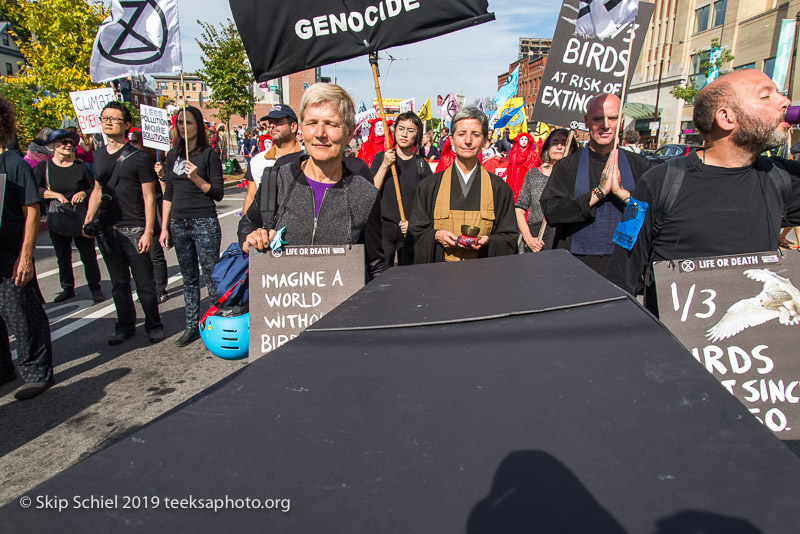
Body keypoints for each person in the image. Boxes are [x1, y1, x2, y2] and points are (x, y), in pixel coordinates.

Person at [607, 69, 800, 314]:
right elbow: (623, 271)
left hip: (751, 345)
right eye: (765, 96)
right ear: (726, 118)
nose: (785, 101)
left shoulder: (781, 178)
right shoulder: (659, 181)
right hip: (673, 344)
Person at [238, 83, 387, 279]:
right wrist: (250, 237)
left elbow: (375, 263)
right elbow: (247, 223)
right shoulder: (276, 180)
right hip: (283, 304)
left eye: (331, 124)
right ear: (301, 129)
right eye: (311, 123)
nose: (319, 134)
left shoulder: (365, 194)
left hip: (343, 307)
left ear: (350, 132)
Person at [540, 94, 654, 276]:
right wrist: (597, 194)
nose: (606, 125)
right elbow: (552, 211)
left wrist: (623, 195)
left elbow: (654, 215)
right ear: (586, 121)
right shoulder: (567, 166)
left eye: (613, 118)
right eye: (598, 119)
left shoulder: (640, 165)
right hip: (575, 266)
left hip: (625, 264)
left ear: (622, 121)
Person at [84, 101, 164, 345]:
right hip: (108, 229)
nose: (108, 122)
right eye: (105, 118)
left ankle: (154, 324)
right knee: (119, 283)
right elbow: (98, 190)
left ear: (127, 125)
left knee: (144, 282)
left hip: (135, 227)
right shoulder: (97, 155)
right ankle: (125, 325)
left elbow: (149, 196)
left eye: (114, 119)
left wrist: (148, 231)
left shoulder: (139, 158)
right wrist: (89, 219)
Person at [407, 106, 519, 263]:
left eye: (475, 134)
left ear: (485, 140)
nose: (468, 141)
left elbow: (509, 238)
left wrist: (489, 241)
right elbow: (415, 235)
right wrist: (436, 236)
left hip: (483, 277)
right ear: (451, 139)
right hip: (439, 278)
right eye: (461, 134)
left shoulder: (499, 188)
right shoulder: (429, 186)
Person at [0, 94, 55, 400]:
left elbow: (32, 211)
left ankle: (37, 371)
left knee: (22, 313)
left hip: (11, 254)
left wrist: (25, 257)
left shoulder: (13, 163)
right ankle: (4, 369)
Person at [156, 106, 224, 347]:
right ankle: (191, 324)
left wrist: (196, 177)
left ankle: (215, 321)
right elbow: (169, 193)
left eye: (189, 123)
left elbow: (217, 193)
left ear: (199, 127)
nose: (184, 127)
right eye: (180, 123)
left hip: (203, 221)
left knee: (210, 275)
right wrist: (164, 227)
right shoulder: (173, 156)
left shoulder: (209, 155)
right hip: (179, 223)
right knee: (188, 278)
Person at [33, 129, 105, 303]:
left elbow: (94, 189)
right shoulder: (44, 167)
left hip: (79, 217)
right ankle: (68, 288)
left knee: (88, 255)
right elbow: (35, 189)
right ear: (53, 146)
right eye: (63, 142)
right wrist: (55, 195)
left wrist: (83, 193)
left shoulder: (80, 166)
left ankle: (95, 288)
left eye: (71, 143)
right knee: (63, 256)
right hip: (58, 217)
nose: (68, 145)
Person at [370, 111, 432, 266]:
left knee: (408, 276)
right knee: (382, 275)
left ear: (417, 136)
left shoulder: (421, 165)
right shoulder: (381, 158)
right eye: (401, 128)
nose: (404, 134)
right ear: (394, 131)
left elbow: (429, 202)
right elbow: (371, 192)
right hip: (385, 228)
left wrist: (414, 224)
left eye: (410, 130)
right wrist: (385, 165)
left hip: (409, 230)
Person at [515, 129, 578, 253]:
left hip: (566, 240)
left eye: (564, 143)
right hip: (537, 240)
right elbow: (519, 209)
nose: (559, 147)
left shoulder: (577, 176)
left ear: (572, 148)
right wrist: (528, 239)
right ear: (548, 147)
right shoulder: (533, 175)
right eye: (555, 142)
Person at [128, 128, 169, 303]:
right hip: (135, 209)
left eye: (135, 142)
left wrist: (161, 176)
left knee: (155, 251)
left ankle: (160, 288)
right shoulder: (130, 161)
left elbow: (166, 192)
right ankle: (147, 287)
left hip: (155, 206)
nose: (132, 145)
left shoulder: (156, 163)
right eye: (130, 142)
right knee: (139, 252)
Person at [242, 105, 302, 213]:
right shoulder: (258, 161)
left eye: (278, 122)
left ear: (293, 127)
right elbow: (251, 197)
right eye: (271, 122)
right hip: (266, 227)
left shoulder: (307, 157)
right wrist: (246, 228)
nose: (273, 126)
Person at [505, 132, 539, 201]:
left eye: (525, 139)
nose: (523, 141)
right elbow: (510, 167)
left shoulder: (532, 154)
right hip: (514, 179)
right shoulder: (514, 152)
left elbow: (533, 168)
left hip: (525, 177)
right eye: (522, 139)